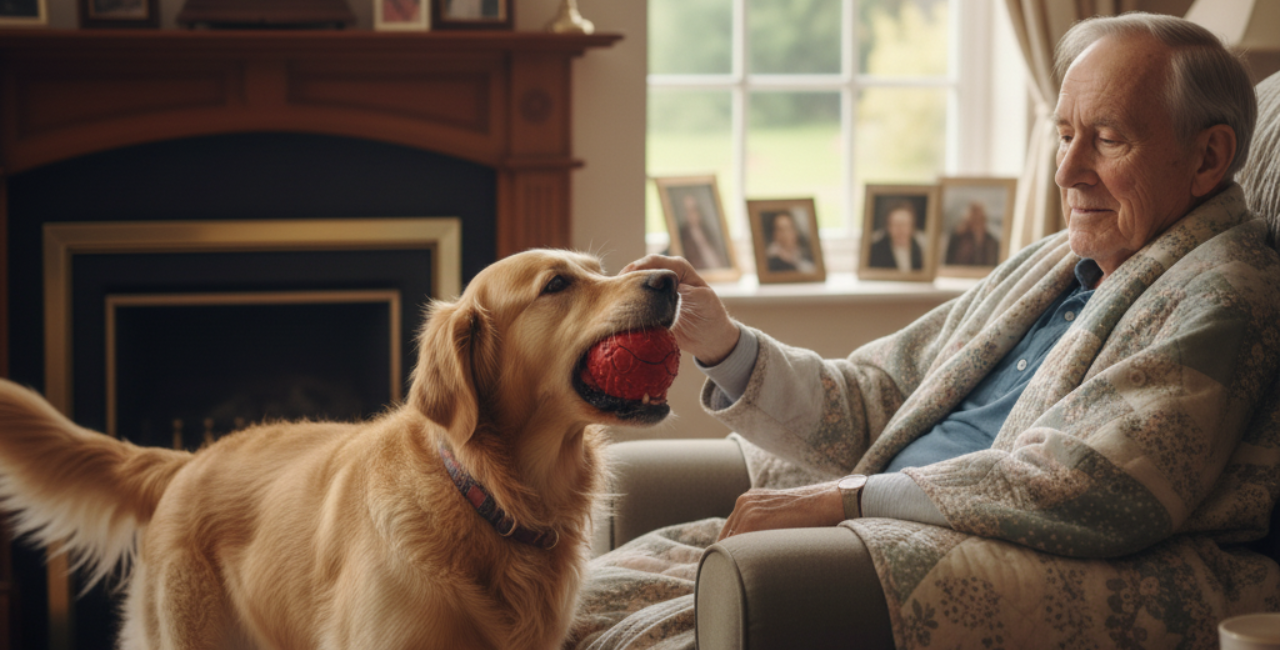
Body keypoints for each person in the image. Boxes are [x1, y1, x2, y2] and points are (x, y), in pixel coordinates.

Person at [572, 13, 1280, 650]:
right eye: (1064, 135)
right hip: (864, 521)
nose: (1068, 170)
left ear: (1209, 159)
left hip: (930, 556)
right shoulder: (1054, 261)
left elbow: (1094, 484)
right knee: (554, 609)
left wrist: (842, 499)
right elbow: (880, 391)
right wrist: (724, 342)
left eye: (1107, 140)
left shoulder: (1226, 292)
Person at [675, 192, 729, 271]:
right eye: (688, 211)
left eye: (694, 210)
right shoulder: (682, 235)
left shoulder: (707, 230)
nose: (692, 214)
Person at [866, 202, 924, 271]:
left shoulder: (920, 248)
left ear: (912, 227)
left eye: (904, 225)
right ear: (888, 227)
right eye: (896, 225)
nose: (901, 230)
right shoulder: (875, 251)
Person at [944, 200, 1001, 266]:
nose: (976, 223)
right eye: (973, 219)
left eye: (979, 219)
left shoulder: (992, 242)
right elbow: (949, 263)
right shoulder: (957, 239)